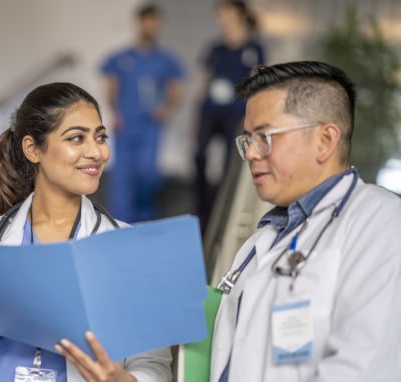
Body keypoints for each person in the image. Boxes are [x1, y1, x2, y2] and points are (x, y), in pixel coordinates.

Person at [0, 82, 172, 381]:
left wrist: (118, 379)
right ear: (33, 149)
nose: (96, 152)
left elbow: (155, 367)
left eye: (100, 137)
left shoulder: (130, 249)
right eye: (77, 138)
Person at [211, 61, 401, 381]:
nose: (252, 154)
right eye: (247, 140)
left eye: (265, 136)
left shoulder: (381, 222)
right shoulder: (262, 241)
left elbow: (365, 367)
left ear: (325, 140)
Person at [99, 3, 185, 223]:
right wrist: (114, 112)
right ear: (139, 23)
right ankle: (117, 222)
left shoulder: (166, 60)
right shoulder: (121, 58)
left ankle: (144, 220)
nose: (151, 27)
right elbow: (110, 87)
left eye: (155, 23)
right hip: (126, 123)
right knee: (122, 176)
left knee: (148, 173)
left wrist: (166, 109)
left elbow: (175, 90)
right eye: (147, 22)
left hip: (151, 126)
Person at [194, 0, 265, 232]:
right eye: (220, 14)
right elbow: (203, 83)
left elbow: (259, 84)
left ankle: (220, 212)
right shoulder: (216, 49)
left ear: (239, 14)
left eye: (226, 12)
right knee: (199, 155)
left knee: (228, 165)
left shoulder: (254, 50)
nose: (222, 18)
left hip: (235, 116)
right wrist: (195, 117)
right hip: (210, 113)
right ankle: (201, 209)